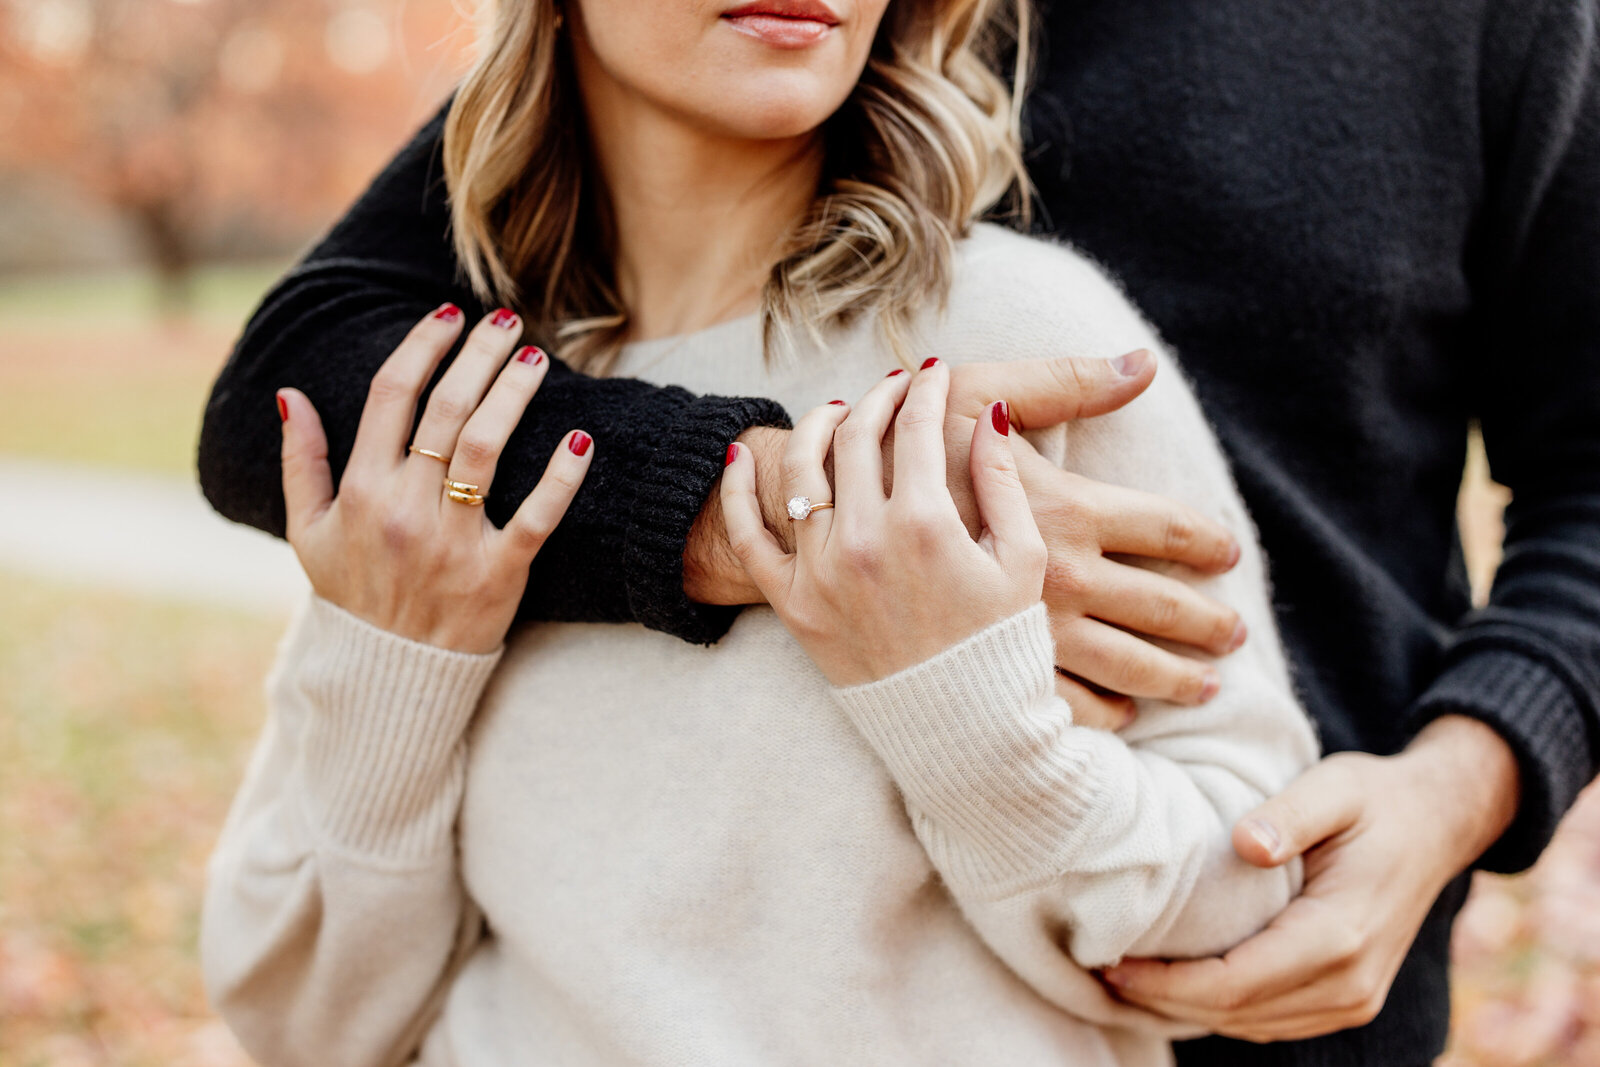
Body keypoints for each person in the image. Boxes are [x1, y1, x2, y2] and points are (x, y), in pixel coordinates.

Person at [198, 1, 1600, 1065]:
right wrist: (774, 507)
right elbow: (300, 381)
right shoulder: (506, 388)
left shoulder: (1037, 327)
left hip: (1259, 971)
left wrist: (1456, 794)